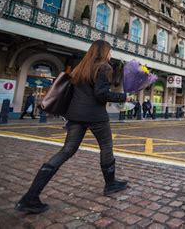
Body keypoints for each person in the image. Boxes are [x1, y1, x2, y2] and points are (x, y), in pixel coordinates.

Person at [15, 40, 129, 214]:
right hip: (95, 116)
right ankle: (111, 184)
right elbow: (101, 94)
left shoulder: (80, 67)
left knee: (66, 151)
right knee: (106, 147)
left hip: (75, 115)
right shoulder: (104, 67)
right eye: (110, 51)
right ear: (104, 51)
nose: (110, 54)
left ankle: (30, 196)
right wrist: (123, 97)